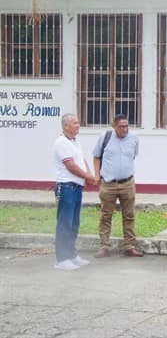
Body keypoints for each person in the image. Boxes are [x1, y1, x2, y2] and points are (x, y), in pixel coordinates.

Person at [92, 114, 143, 258]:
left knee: (129, 215)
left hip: (127, 183)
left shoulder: (134, 139)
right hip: (108, 184)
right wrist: (97, 175)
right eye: (121, 126)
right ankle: (104, 246)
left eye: (127, 126)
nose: (125, 129)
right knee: (106, 215)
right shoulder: (105, 137)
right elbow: (96, 156)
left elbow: (133, 156)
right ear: (114, 126)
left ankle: (130, 246)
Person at [52, 113, 96, 271]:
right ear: (66, 126)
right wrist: (87, 176)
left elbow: (81, 161)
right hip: (66, 187)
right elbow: (70, 165)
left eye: (78, 122)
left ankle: (71, 254)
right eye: (75, 123)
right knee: (65, 223)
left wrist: (89, 176)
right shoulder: (61, 142)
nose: (78, 125)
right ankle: (62, 259)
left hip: (77, 187)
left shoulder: (75, 141)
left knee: (74, 223)